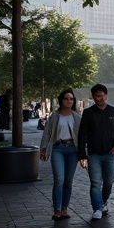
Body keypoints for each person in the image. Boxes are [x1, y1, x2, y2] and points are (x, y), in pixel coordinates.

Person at [78, 84, 114, 220]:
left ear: (106, 95)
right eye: (98, 96)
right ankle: (97, 208)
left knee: (108, 182)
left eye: (103, 95)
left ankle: (103, 201)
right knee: (95, 182)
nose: (101, 98)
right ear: (93, 97)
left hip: (110, 153)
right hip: (93, 154)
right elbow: (82, 134)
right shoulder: (88, 113)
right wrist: (82, 155)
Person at [40, 89, 81, 220]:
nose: (69, 101)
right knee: (59, 180)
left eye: (71, 99)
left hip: (72, 150)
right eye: (66, 98)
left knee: (68, 182)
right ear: (61, 100)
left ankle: (64, 208)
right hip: (58, 149)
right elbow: (47, 133)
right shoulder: (54, 116)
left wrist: (84, 153)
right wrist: (43, 149)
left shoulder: (77, 117)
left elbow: (82, 136)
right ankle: (56, 209)